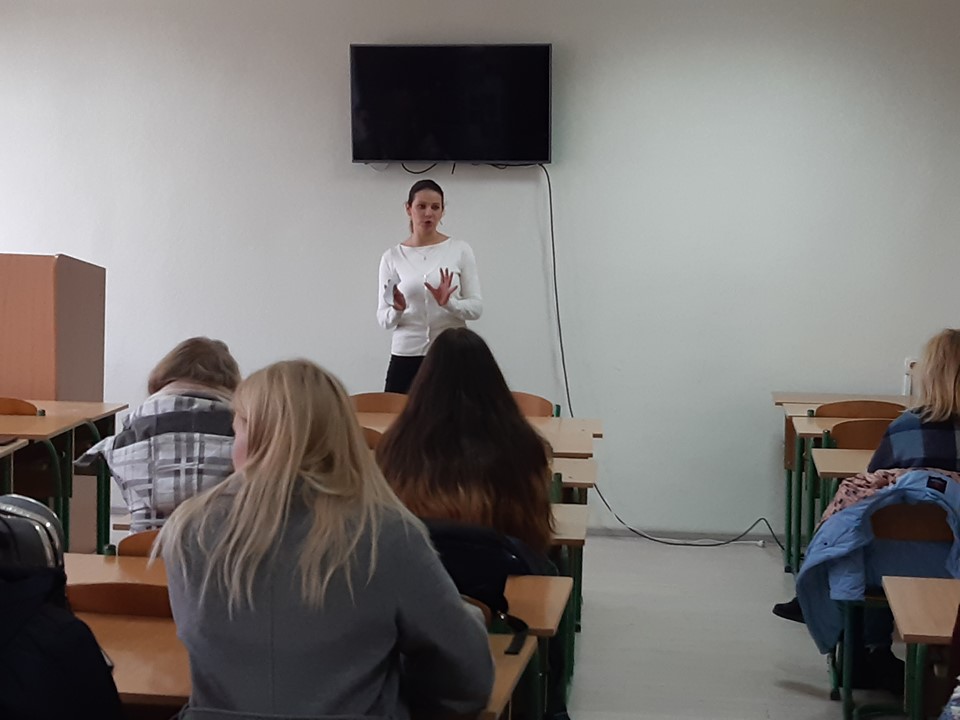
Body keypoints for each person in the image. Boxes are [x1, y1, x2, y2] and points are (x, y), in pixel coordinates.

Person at [157, 359, 493, 720]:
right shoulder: (386, 534)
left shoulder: (189, 529)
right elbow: (466, 680)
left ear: (253, 440)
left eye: (236, 431)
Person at [774, 329, 960, 689]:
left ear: (930, 373)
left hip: (888, 567)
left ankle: (867, 648)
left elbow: (875, 488)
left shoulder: (905, 427)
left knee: (864, 533)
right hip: (953, 562)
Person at [376, 327, 554, 556]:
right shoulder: (524, 445)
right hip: (502, 569)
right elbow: (536, 530)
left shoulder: (395, 446)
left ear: (423, 384)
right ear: (494, 383)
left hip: (417, 566)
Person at [77, 337, 240, 532]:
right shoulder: (243, 431)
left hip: (146, 546)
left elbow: (84, 462)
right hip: (220, 546)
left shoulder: (128, 437)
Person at [377, 179, 482, 394]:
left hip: (451, 353)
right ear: (409, 209)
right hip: (407, 354)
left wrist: (450, 304)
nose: (428, 213)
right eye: (421, 206)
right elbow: (383, 319)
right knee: (396, 412)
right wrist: (397, 309)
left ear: (443, 211)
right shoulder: (392, 257)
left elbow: (476, 308)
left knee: (457, 413)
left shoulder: (460, 250)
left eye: (435, 207)